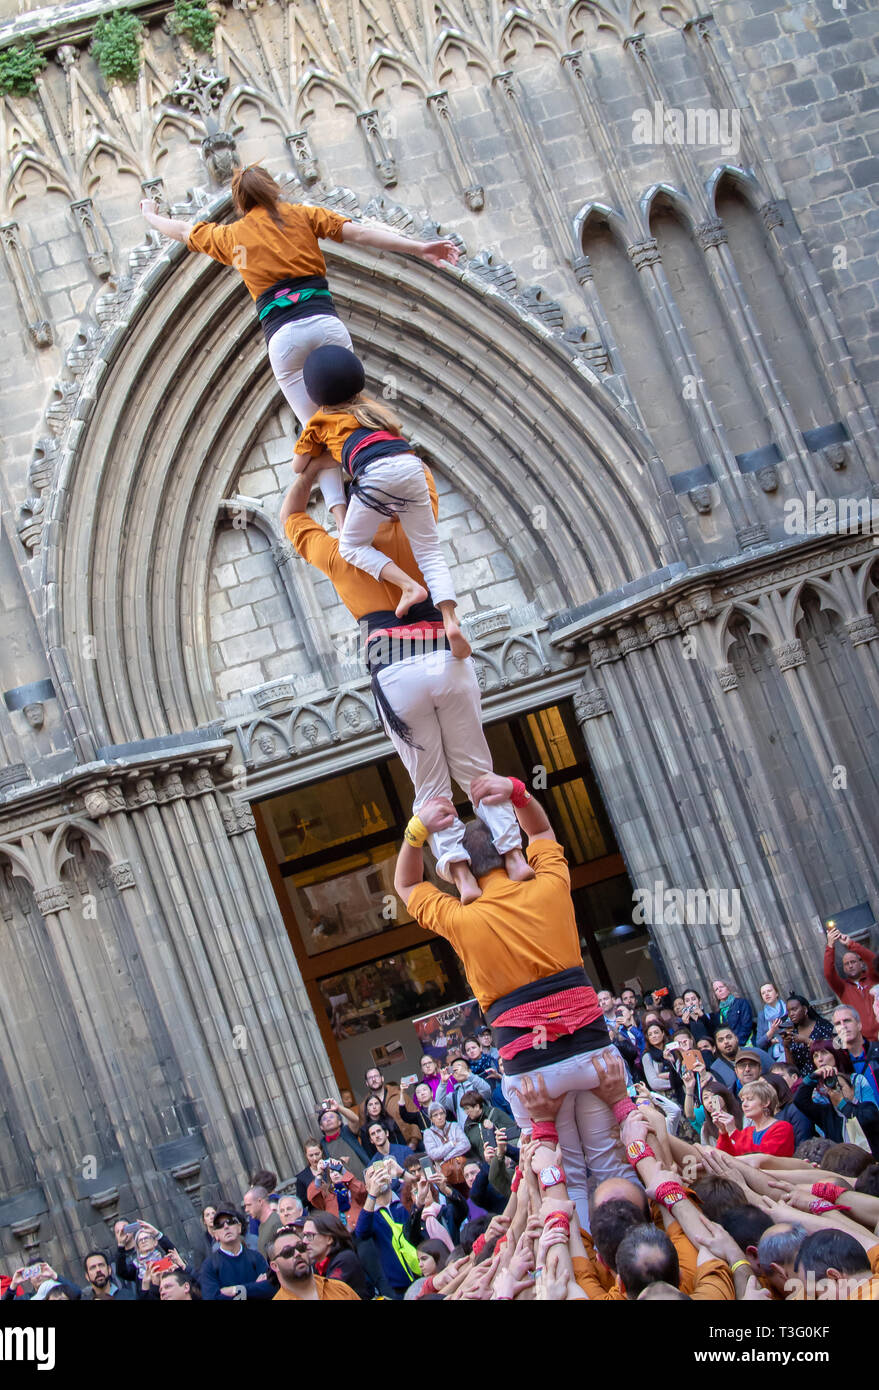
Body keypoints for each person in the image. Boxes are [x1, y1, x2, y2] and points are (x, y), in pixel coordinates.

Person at [141, 166, 458, 524]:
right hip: (326, 325)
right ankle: (384, 480)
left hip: (285, 337)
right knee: (355, 411)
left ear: (240, 202)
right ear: (273, 190)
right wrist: (419, 247)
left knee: (317, 430)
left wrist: (151, 215)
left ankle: (341, 519)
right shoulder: (302, 216)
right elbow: (363, 234)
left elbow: (182, 230)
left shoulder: (233, 236)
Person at [394, 771, 634, 1229]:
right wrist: (518, 792)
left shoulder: (460, 917)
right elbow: (542, 831)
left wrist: (417, 830)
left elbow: (406, 887)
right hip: (592, 1053)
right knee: (611, 1164)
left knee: (566, 1180)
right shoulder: (547, 884)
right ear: (510, 849)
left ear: (457, 868)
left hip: (532, 1071)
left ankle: (590, 1265)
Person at [280, 466, 524, 901]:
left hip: (393, 667)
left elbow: (292, 519)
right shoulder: (409, 528)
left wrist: (311, 472)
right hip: (442, 653)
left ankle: (462, 876)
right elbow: (416, 474)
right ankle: (514, 854)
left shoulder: (337, 554)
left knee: (429, 787)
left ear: (346, 516)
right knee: (476, 770)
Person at [294, 344, 470, 657]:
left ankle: (409, 587)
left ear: (316, 395)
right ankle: (450, 618)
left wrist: (320, 463)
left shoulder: (320, 423)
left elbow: (299, 466)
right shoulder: (374, 411)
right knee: (429, 552)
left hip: (375, 475)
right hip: (410, 464)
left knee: (350, 547)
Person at [354, 1164, 421, 1297]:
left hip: (425, 1272)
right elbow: (361, 1233)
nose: (377, 1177)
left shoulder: (405, 1199)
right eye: (372, 1176)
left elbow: (423, 1188)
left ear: (389, 1178)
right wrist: (372, 1194)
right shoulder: (371, 1215)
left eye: (380, 1173)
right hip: (399, 1287)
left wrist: (401, 1173)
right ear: (367, 1187)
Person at [200, 1208, 274, 1301]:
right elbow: (211, 1298)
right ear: (216, 1235)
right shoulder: (209, 1265)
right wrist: (254, 1288)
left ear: (239, 1227)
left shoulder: (256, 1257)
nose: (226, 1226)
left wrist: (235, 1290)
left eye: (230, 1222)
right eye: (220, 1225)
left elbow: (271, 1289)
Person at [269, 1225, 360, 1301]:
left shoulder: (340, 1289)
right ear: (275, 1266)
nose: (297, 1253)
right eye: (287, 1252)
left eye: (300, 1247)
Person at [714, 1078, 795, 1156]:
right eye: (742, 1100)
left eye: (750, 1099)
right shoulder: (747, 1131)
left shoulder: (782, 1127)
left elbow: (764, 1157)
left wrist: (733, 1132)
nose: (744, 1105)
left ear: (766, 1102)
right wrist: (723, 1132)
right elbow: (727, 1157)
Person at [824, 926, 879, 1042]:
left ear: (861, 964)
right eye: (846, 964)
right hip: (865, 1042)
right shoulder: (843, 987)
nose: (850, 965)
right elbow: (829, 973)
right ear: (843, 968)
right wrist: (830, 946)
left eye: (853, 962)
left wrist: (851, 944)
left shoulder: (873, 978)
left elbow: (873, 960)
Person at [302, 1211, 372, 1299]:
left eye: (309, 1235)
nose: (304, 1241)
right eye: (304, 1235)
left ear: (329, 1239)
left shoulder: (345, 1259)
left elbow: (328, 1295)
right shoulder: (316, 1264)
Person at [358, 1066, 421, 1146]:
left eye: (376, 1076)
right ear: (366, 1083)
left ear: (382, 1078)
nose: (374, 1079)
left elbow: (415, 1117)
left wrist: (414, 1141)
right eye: (370, 1078)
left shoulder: (399, 1094)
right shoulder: (364, 1106)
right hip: (383, 1152)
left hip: (409, 1143)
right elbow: (364, 1133)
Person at [832, 1005, 879, 1106]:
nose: (843, 1026)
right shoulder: (838, 1063)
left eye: (847, 1020)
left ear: (859, 1025)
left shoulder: (877, 1051)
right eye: (838, 1023)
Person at [781, 994, 834, 1076]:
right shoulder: (793, 1034)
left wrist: (807, 1041)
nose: (791, 1014)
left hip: (828, 1073)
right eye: (788, 1011)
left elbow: (834, 1050)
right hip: (806, 1079)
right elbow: (792, 1069)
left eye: (794, 1009)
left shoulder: (823, 1026)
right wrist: (786, 1047)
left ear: (805, 1009)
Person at [317, 1100, 371, 1177]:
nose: (328, 1120)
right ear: (321, 1127)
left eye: (331, 1117)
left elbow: (355, 1120)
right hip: (344, 1186)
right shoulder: (322, 1144)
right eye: (324, 1119)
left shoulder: (347, 1131)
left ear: (339, 1121)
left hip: (367, 1178)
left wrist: (338, 1107)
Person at [459, 1090, 517, 1161]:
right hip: (486, 1164)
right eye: (464, 1109)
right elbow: (472, 1152)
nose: (466, 1112)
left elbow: (514, 1133)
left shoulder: (495, 1113)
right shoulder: (468, 1126)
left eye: (467, 1109)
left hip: (505, 1160)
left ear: (477, 1106)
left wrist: (494, 1128)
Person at [422, 1099, 471, 1183]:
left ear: (445, 1114)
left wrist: (447, 1157)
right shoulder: (428, 1133)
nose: (439, 1117)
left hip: (463, 1166)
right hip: (444, 1172)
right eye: (435, 1115)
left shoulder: (454, 1126)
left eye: (441, 1113)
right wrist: (451, 1144)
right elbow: (433, 1154)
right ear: (431, 1119)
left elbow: (466, 1144)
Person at [435, 1055, 493, 1119]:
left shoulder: (477, 1086)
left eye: (461, 1068)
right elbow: (439, 1104)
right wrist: (443, 1083)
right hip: (466, 1128)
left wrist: (468, 1075)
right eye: (455, 1070)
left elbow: (486, 1090)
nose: (459, 1071)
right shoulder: (454, 1095)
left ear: (469, 1070)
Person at [641, 1022, 684, 1103]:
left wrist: (664, 1076)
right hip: (665, 1098)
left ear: (663, 1033)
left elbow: (682, 1073)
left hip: (683, 1091)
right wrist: (676, 1081)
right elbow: (654, 1083)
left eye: (656, 1032)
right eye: (650, 1034)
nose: (653, 1036)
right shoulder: (647, 1056)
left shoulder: (673, 1051)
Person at [709, 979, 755, 1044]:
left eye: (721, 987)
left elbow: (746, 1025)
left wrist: (737, 1042)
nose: (719, 990)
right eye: (716, 989)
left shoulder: (741, 1003)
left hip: (745, 1042)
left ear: (728, 988)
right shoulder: (718, 1014)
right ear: (715, 995)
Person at [244, 1185, 283, 1262]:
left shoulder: (276, 1222)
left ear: (260, 1201)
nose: (246, 1210)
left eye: (249, 1205)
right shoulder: (262, 1226)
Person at [755, 981, 789, 1061]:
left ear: (776, 993)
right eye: (763, 993)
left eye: (769, 991)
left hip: (790, 1049)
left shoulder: (788, 1008)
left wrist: (777, 1040)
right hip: (774, 1055)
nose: (766, 994)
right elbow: (759, 1043)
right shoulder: (762, 1015)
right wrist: (772, 1031)